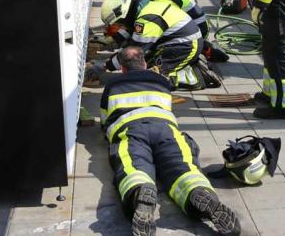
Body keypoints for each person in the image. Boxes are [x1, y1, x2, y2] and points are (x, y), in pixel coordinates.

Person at [100, 46, 241, 236]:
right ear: (145, 64)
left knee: (133, 166)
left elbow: (104, 121)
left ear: (123, 69)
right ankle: (197, 192)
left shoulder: (112, 85)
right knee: (182, 165)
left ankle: (140, 192)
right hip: (165, 128)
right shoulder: (161, 81)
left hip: (130, 129)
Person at [101, 0, 203, 88]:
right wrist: (110, 43)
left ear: (122, 15)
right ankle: (187, 67)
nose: (119, 26)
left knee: (151, 78)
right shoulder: (144, 8)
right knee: (142, 67)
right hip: (180, 42)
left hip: (186, 45)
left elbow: (133, 51)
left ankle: (196, 76)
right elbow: (130, 33)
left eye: (118, 23)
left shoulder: (147, 20)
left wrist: (108, 65)